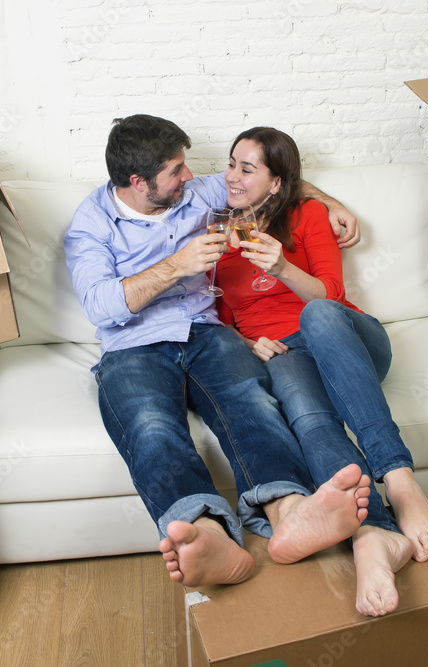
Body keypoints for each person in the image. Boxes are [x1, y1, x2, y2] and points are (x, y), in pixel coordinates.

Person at [64, 114, 370, 589]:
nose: (190, 175)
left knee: (250, 402)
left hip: (207, 332)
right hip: (135, 345)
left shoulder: (194, 192)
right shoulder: (91, 223)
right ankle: (206, 534)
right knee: (150, 425)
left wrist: (332, 204)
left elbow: (270, 181)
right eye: (176, 170)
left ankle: (289, 510)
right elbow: (101, 306)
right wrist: (176, 266)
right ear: (139, 182)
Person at [214, 127, 428, 616]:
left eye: (247, 168)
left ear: (277, 183)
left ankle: (398, 477)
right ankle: (374, 535)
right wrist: (248, 343)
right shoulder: (215, 236)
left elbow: (332, 296)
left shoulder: (307, 214)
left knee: (317, 315)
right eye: (231, 163)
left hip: (344, 338)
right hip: (284, 352)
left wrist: (282, 268)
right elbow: (218, 320)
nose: (232, 176)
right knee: (308, 417)